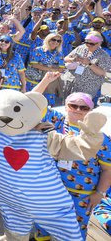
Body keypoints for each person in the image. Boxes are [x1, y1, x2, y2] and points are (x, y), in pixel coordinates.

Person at [34, 72, 111, 240]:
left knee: (75, 230)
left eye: (84, 108)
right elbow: (32, 103)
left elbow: (107, 170)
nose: (78, 110)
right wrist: (46, 81)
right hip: (50, 188)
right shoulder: (56, 120)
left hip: (80, 193)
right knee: (43, 223)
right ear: (66, 106)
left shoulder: (100, 137)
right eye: (73, 105)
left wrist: (99, 193)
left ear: (91, 110)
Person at [63, 31, 111, 101]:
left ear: (99, 43)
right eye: (87, 42)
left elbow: (102, 72)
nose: (88, 45)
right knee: (67, 104)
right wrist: (73, 59)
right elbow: (65, 58)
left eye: (92, 43)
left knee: (83, 106)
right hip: (71, 82)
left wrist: (89, 64)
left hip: (88, 87)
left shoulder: (104, 55)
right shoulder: (81, 48)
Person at [25, 33, 65, 102]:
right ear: (48, 40)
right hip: (34, 80)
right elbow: (34, 65)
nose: (56, 42)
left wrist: (44, 67)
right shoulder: (38, 50)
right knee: (31, 100)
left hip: (49, 82)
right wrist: (51, 68)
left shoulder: (59, 54)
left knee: (47, 103)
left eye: (58, 41)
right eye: (53, 39)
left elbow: (61, 68)